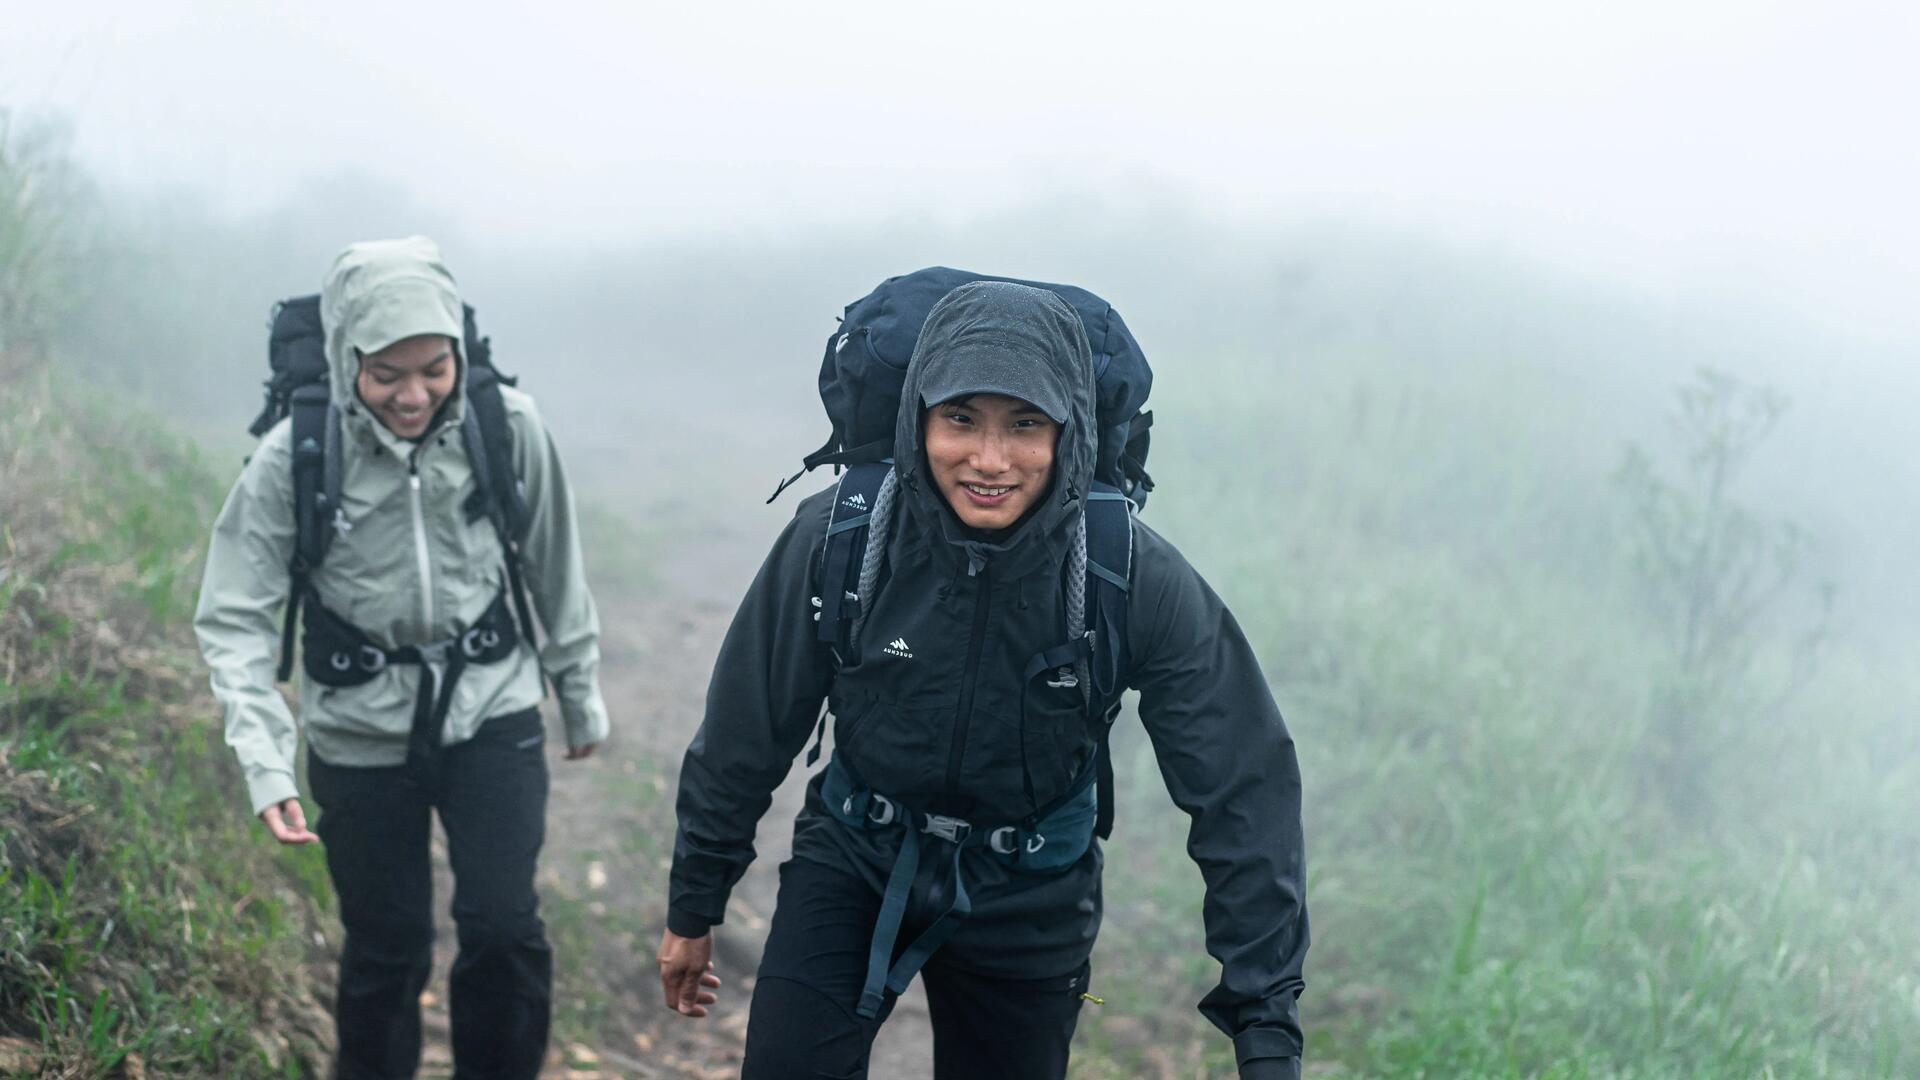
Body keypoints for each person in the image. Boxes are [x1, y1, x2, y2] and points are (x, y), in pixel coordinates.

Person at [657, 281, 1307, 1078]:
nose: (990, 460)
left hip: (1033, 895)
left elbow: (1242, 786)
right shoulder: (843, 537)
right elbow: (744, 731)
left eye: (1025, 425)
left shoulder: (1129, 573)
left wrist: (1265, 1022)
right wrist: (694, 903)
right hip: (854, 856)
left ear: (1069, 432)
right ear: (916, 419)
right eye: (960, 419)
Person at [194, 236, 610, 1080]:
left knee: (502, 927)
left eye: (434, 368)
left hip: (492, 710)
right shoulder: (296, 456)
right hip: (357, 733)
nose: (414, 395)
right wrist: (267, 761)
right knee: (386, 949)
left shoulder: (506, 425)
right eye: (387, 374)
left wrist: (578, 690)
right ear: (349, 355)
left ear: (459, 350)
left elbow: (553, 560)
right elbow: (234, 620)